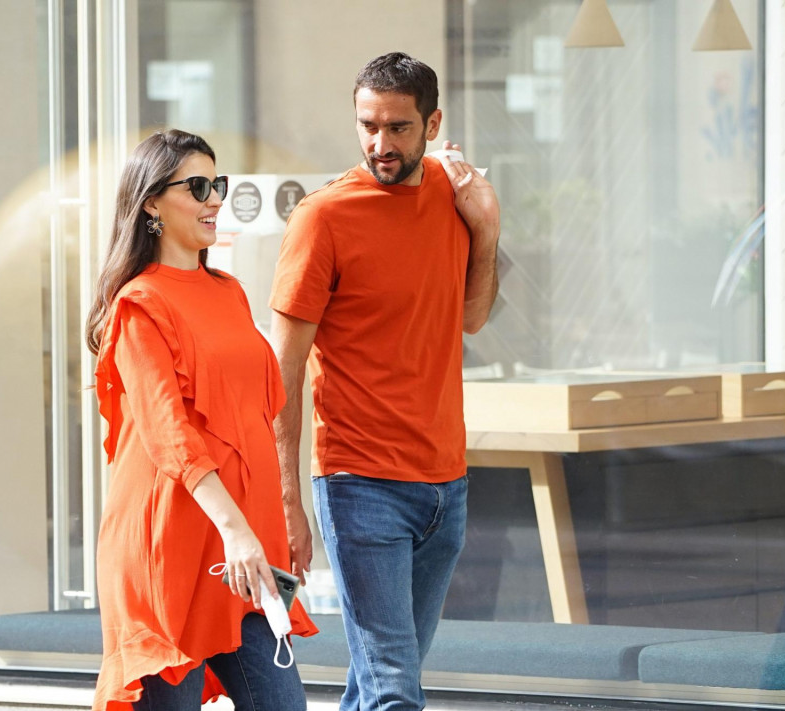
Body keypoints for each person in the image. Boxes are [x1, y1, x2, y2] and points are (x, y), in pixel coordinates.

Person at [269, 52, 501, 711]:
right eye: (367, 126)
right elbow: (281, 370)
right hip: (359, 483)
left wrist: (486, 228)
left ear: (433, 123)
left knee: (376, 683)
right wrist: (287, 498)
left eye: (398, 128)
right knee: (396, 690)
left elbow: (472, 318)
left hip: (446, 485)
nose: (380, 144)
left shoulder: (455, 196)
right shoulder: (323, 218)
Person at [85, 129, 316, 711]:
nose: (214, 199)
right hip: (172, 550)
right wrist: (238, 531)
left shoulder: (229, 291)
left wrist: (280, 515)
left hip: (243, 550)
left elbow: (258, 418)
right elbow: (171, 437)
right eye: (197, 187)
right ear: (152, 204)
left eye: (217, 184)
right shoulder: (138, 306)